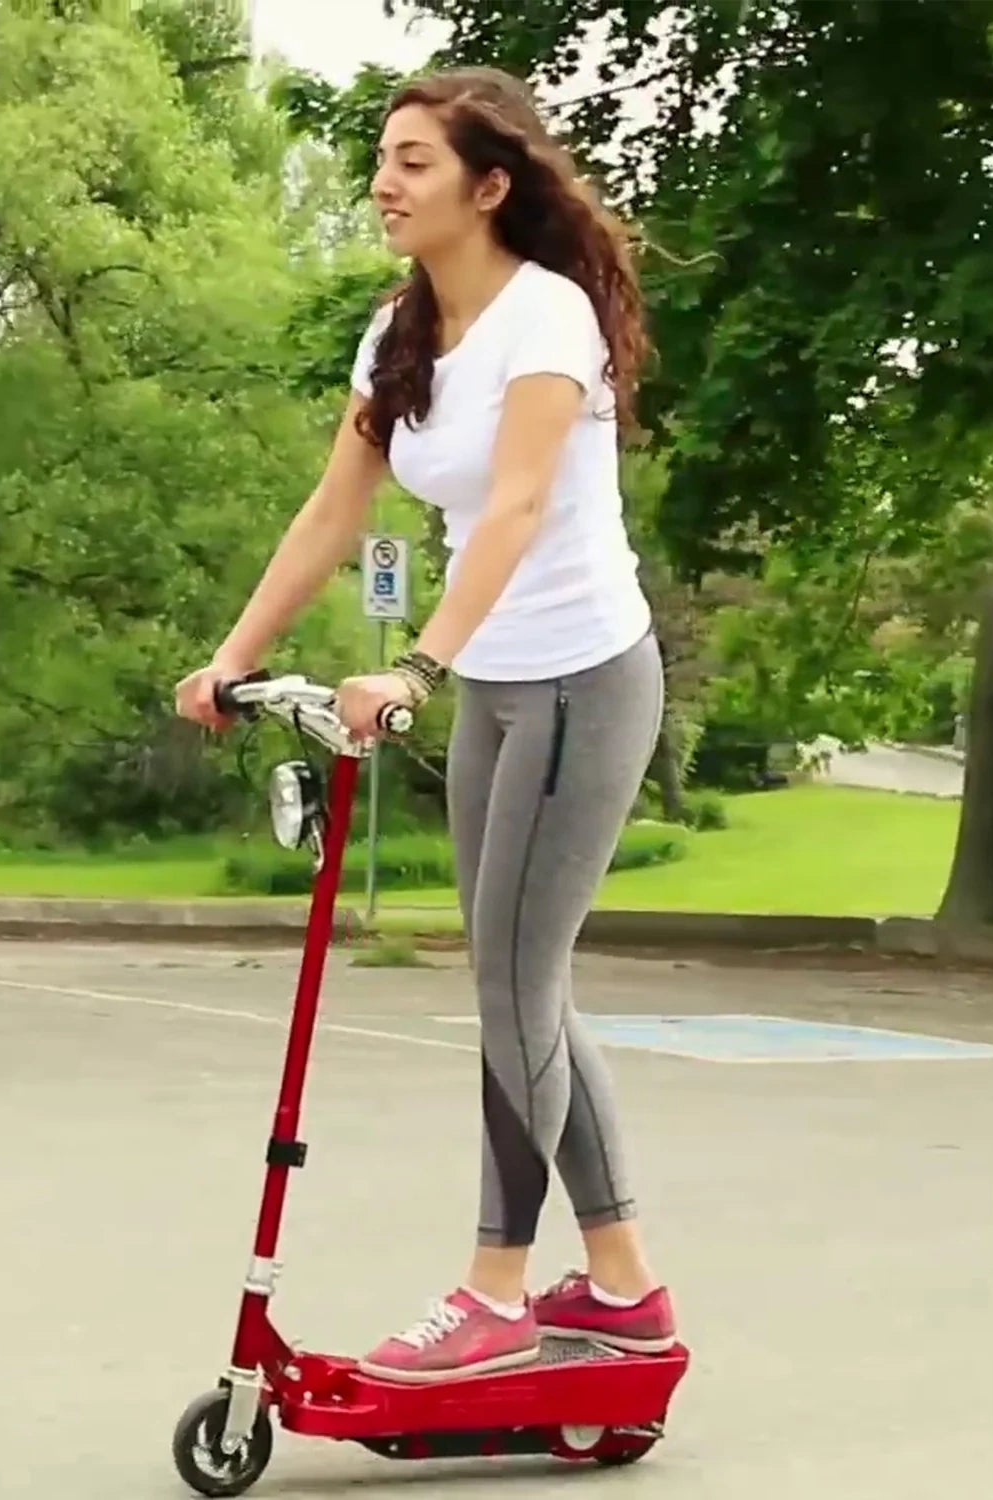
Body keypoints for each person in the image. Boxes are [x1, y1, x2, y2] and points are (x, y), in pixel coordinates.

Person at [174, 66, 676, 1385]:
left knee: (513, 985)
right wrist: (233, 658)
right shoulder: (401, 328)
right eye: (382, 159)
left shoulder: (546, 318)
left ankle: (497, 1288)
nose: (384, 182)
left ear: (488, 185)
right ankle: (623, 1285)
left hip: (579, 680)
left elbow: (512, 508)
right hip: (502, 691)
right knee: (525, 991)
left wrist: (416, 667)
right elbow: (333, 507)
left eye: (414, 162)